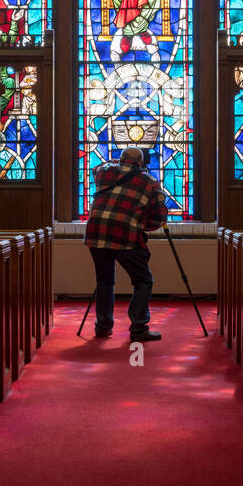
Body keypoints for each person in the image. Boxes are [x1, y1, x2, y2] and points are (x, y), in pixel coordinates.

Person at [84, 146, 167, 341]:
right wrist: (144, 224)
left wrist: (116, 162)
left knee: (104, 280)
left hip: (96, 232)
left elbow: (98, 167)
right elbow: (159, 218)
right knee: (143, 280)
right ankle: (138, 327)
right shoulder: (150, 182)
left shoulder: (104, 172)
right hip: (125, 234)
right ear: (142, 163)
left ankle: (103, 327)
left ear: (120, 158)